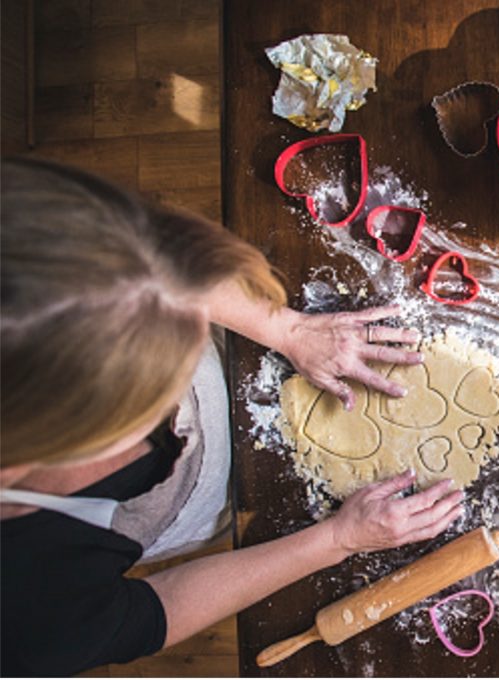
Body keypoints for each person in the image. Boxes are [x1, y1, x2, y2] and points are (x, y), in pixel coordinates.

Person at [0, 158, 464, 675]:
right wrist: (337, 540)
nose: (179, 411)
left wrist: (285, 330)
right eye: (151, 401)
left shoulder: (21, 246)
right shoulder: (24, 623)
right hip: (202, 505)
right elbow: (159, 610)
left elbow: (157, 262)